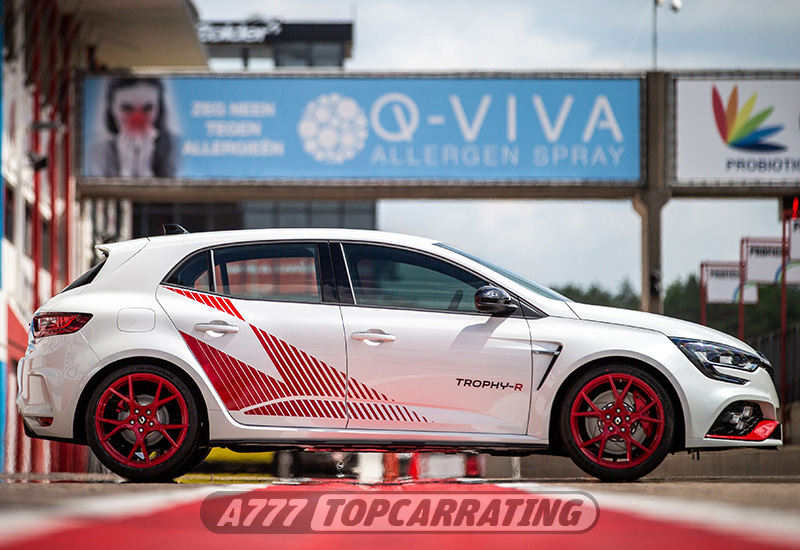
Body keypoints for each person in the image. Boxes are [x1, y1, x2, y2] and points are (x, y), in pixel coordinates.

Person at [88, 77, 177, 177]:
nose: (137, 120)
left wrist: (144, 168)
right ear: (112, 108)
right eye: (126, 109)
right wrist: (126, 169)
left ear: (160, 109)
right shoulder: (97, 153)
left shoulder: (177, 149)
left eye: (148, 108)